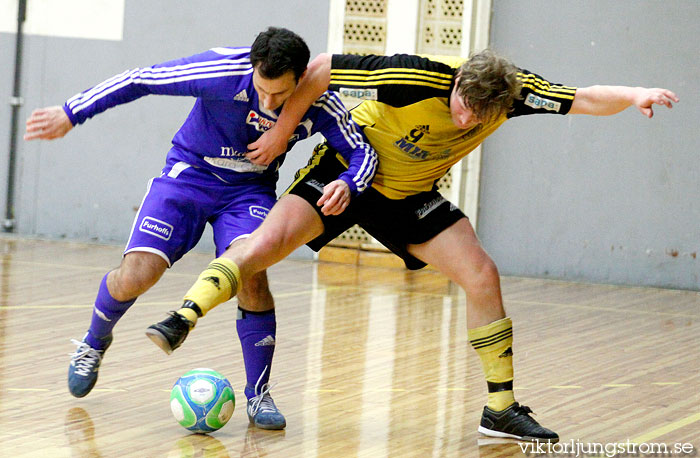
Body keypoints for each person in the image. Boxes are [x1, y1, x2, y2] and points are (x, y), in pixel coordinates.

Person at [146, 50, 678, 442]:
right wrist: (285, 131)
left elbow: (582, 98)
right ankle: (184, 315)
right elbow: (321, 68)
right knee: (264, 244)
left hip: (409, 196)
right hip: (349, 173)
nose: (467, 119)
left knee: (482, 275)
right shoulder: (411, 78)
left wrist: (634, 96)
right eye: (463, 106)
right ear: (459, 81)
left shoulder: (510, 97)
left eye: (480, 115)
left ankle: (500, 410)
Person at [23, 28, 377, 431]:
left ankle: (258, 392)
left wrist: (350, 183)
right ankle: (94, 340)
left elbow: (363, 151)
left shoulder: (321, 101)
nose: (267, 102)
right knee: (137, 275)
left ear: (301, 79)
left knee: (251, 273)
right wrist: (71, 112)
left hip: (249, 191)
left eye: (279, 96)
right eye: (261, 89)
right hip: (188, 177)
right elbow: (140, 79)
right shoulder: (223, 69)